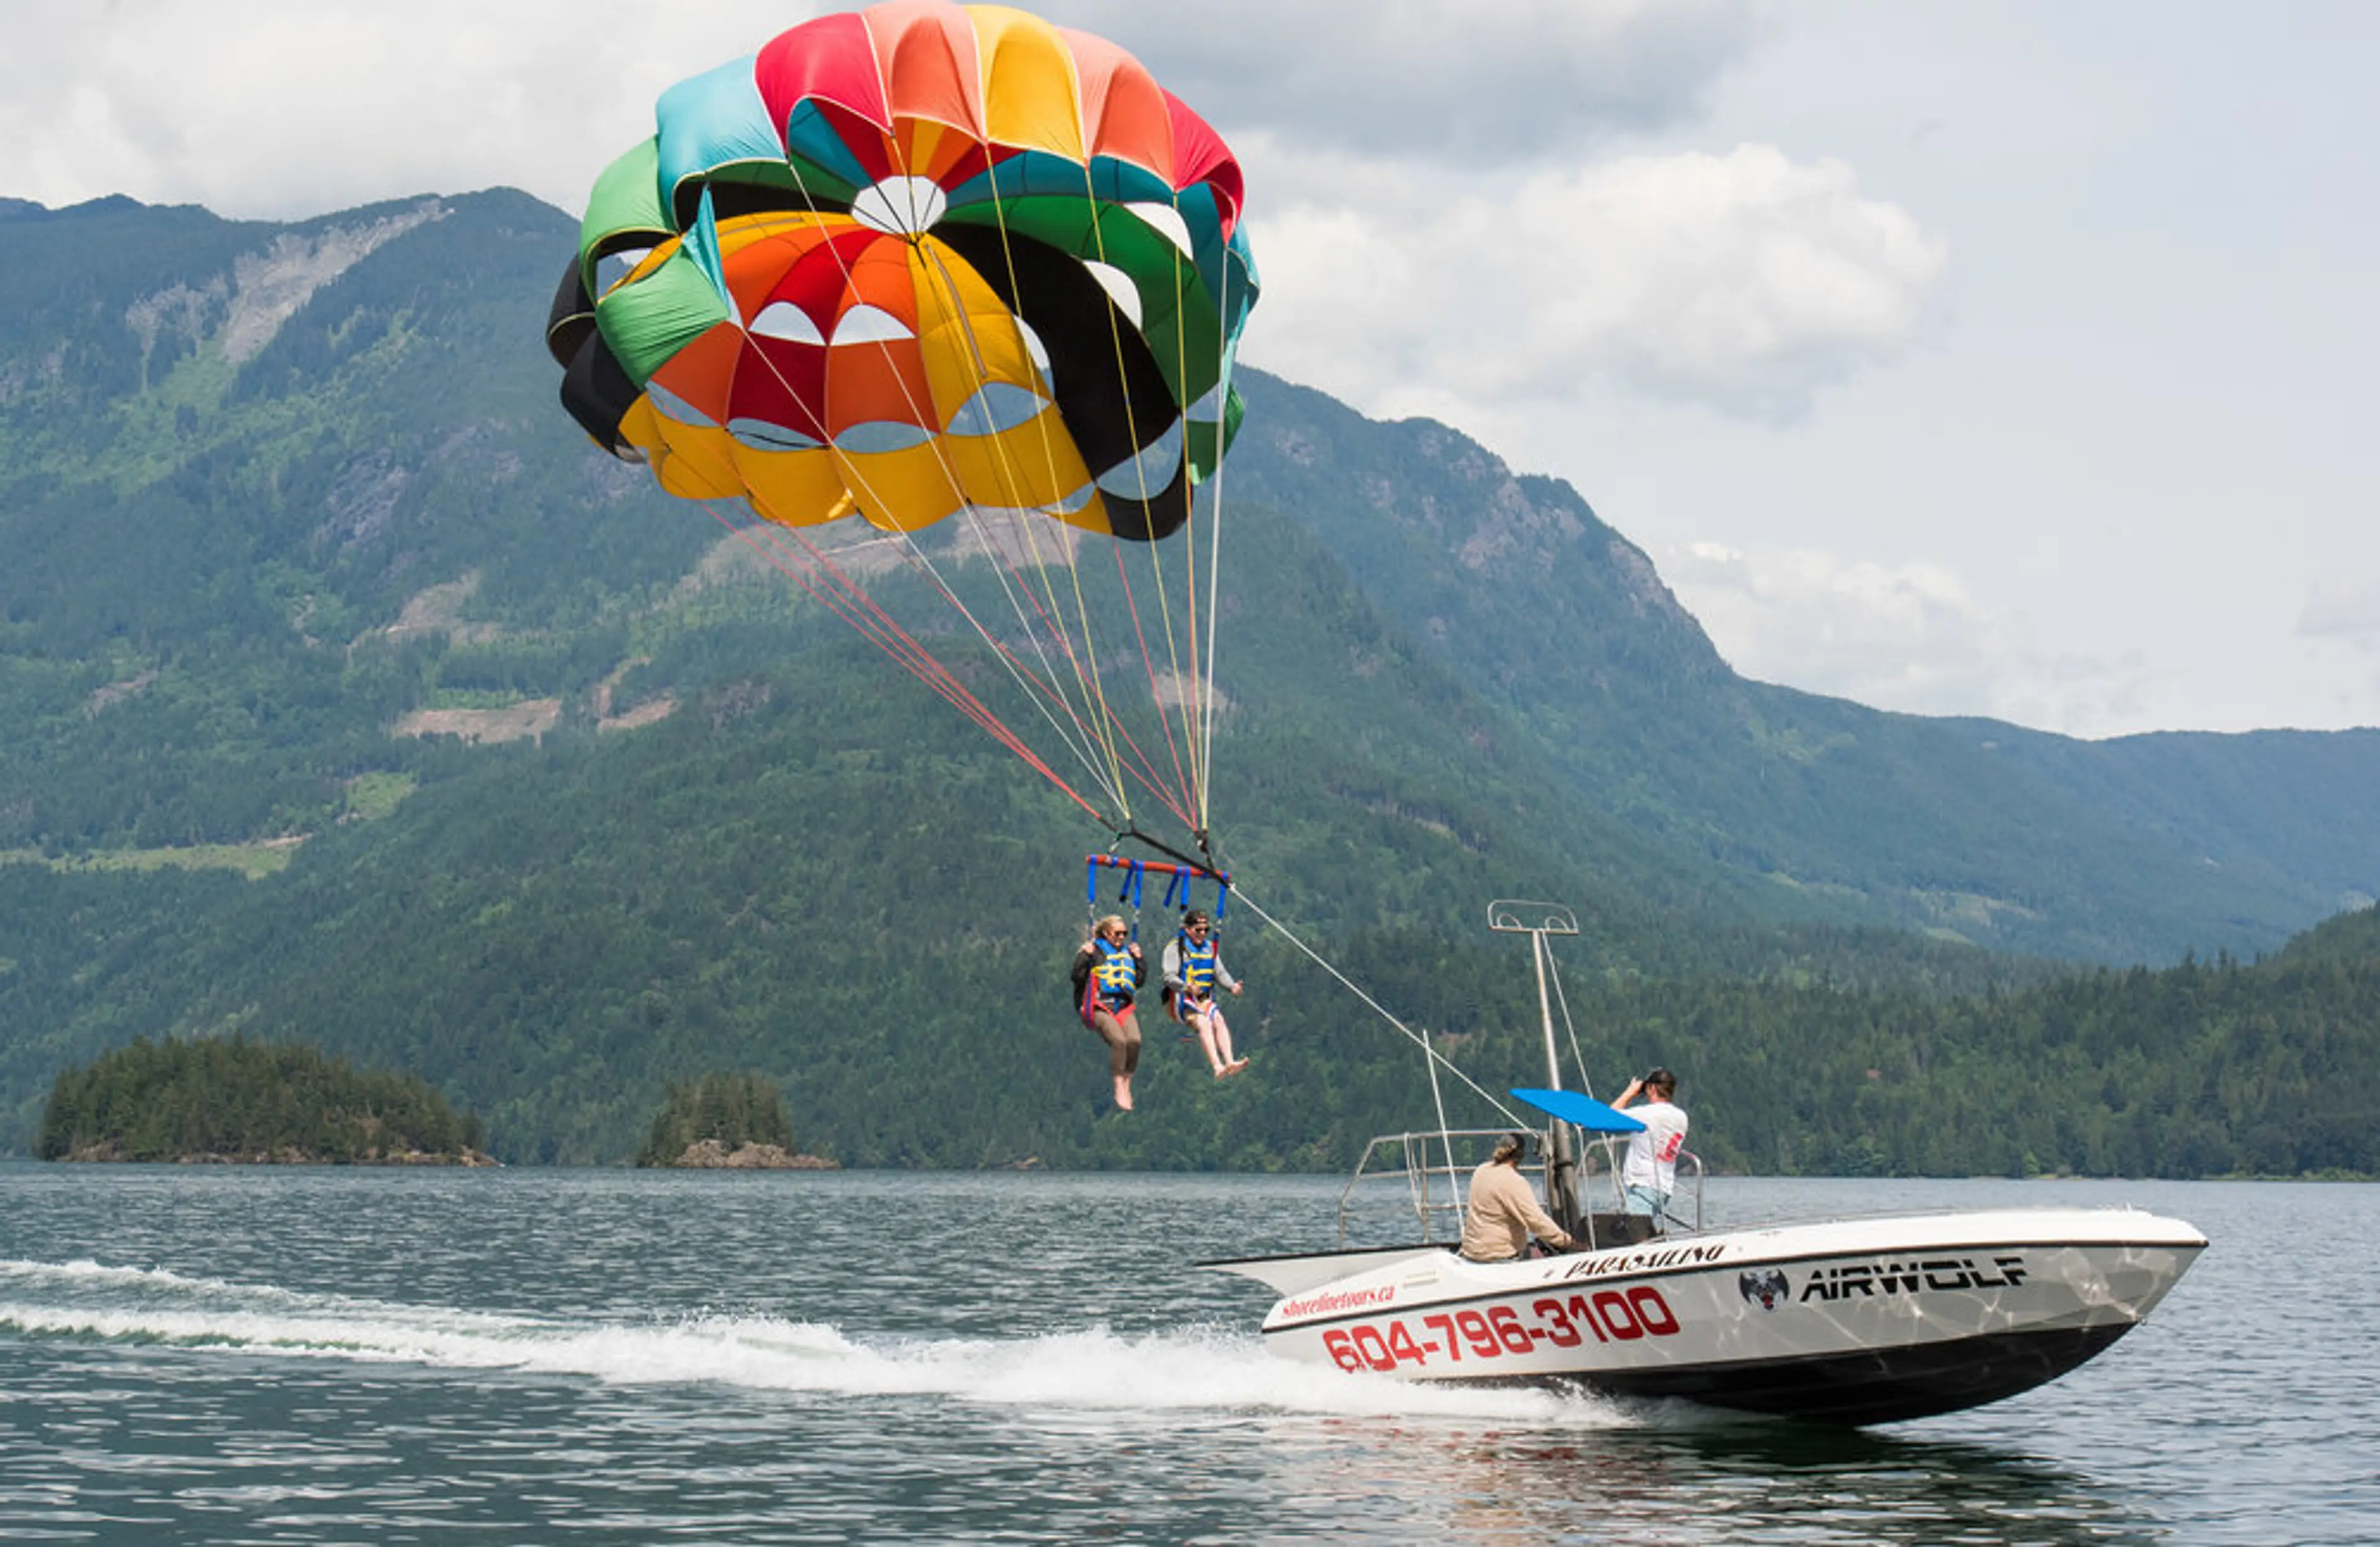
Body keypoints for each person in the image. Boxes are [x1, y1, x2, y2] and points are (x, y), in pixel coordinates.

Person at [1459, 1132, 1577, 1262]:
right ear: (1520, 1155)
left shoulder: (1481, 1171)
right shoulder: (1513, 1181)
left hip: (1472, 1253)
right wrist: (1567, 1241)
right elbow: (1536, 1221)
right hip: (1498, 1256)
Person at [1070, 914, 1145, 1111]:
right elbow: (1077, 977)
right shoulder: (1095, 952)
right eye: (1117, 934)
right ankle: (1118, 1086)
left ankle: (1128, 1081)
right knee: (1119, 1041)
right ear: (1106, 933)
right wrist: (1083, 956)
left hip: (1122, 1005)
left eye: (1125, 934)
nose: (1122, 937)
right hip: (1097, 1005)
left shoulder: (1127, 954)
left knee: (1134, 1041)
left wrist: (1139, 960)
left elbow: (1138, 981)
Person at [1162, 910, 1246, 1077]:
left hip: (1202, 998)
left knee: (1218, 1020)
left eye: (1205, 930)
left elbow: (1219, 973)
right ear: (1187, 929)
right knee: (1203, 1022)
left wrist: (1232, 987)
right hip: (1178, 999)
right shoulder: (1175, 949)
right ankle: (1217, 1066)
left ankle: (1230, 1062)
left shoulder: (1209, 948)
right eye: (1198, 930)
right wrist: (1186, 986)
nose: (1202, 934)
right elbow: (1168, 976)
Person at [1613, 1067, 1689, 1231]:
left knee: (1632, 1235)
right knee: (1642, 1230)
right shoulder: (1681, 1117)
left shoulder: (1647, 1114)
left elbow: (1610, 1115)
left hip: (1643, 1183)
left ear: (1653, 1088)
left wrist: (1630, 1093)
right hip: (1664, 1185)